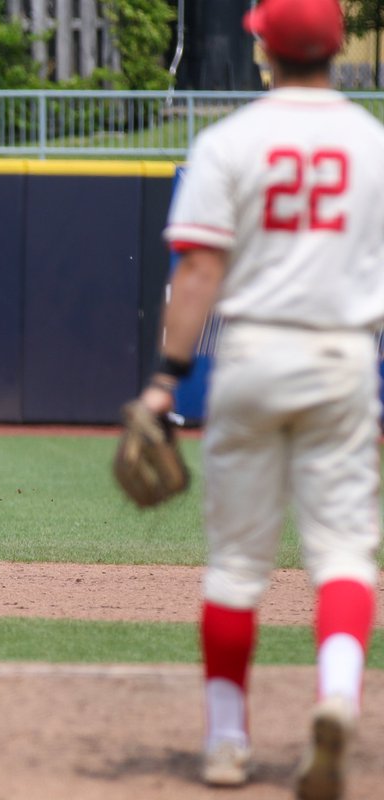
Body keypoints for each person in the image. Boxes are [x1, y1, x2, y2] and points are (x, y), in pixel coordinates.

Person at [136, 1, 379, 796]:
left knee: (238, 567)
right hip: (344, 357)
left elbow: (199, 272)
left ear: (264, 53)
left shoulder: (229, 142)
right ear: (339, 53)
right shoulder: (372, 144)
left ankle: (228, 742)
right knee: (343, 552)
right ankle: (336, 699)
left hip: (251, 354)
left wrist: (168, 379)